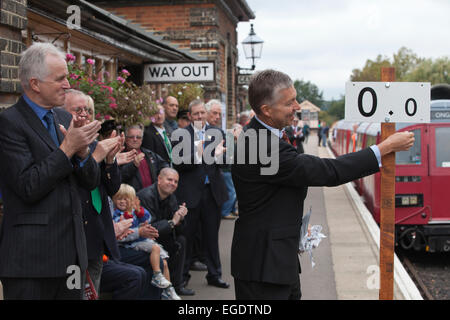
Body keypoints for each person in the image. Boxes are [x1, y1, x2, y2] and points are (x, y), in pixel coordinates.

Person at [230, 69, 415, 300]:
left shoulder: (262, 136)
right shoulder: (264, 148)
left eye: (295, 98)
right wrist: (384, 148)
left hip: (275, 258)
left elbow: (272, 197)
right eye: (289, 103)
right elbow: (328, 171)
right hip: (264, 268)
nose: (297, 106)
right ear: (267, 110)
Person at [0, 42, 101, 299]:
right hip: (31, 262)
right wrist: (67, 149)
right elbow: (27, 186)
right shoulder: (9, 123)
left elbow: (90, 182)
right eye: (60, 79)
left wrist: (82, 152)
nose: (67, 84)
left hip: (72, 256)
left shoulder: (63, 119)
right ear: (35, 84)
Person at [62, 89, 124, 296]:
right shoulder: (62, 147)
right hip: (74, 241)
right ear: (61, 114)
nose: (84, 115)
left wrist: (110, 159)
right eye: (77, 110)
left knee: (92, 293)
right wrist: (95, 157)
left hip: (97, 237)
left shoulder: (97, 144)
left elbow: (113, 188)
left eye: (87, 110)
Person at [173, 99, 230, 289]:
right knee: (187, 238)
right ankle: (181, 278)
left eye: (202, 113)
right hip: (190, 194)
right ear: (189, 116)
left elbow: (223, 164)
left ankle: (215, 275)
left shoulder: (217, 133)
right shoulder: (181, 135)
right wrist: (205, 153)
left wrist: (222, 154)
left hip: (212, 193)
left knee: (211, 237)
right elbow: (179, 163)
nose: (199, 117)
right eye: (195, 114)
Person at [112, 184, 180, 300]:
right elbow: (121, 235)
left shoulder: (134, 211)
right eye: (119, 199)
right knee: (155, 255)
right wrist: (139, 230)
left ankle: (168, 289)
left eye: (126, 199)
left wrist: (139, 211)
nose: (122, 202)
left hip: (140, 241)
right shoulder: (117, 215)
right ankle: (159, 279)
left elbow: (147, 219)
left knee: (163, 262)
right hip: (127, 245)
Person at [137, 167, 193, 296]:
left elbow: (179, 230)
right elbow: (150, 228)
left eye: (175, 182)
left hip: (162, 234)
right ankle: (165, 290)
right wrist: (173, 222)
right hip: (143, 238)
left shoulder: (171, 197)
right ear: (159, 179)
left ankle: (176, 285)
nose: (172, 184)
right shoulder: (145, 196)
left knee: (181, 241)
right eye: (169, 180)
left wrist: (180, 218)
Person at [120, 124, 169, 192]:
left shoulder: (149, 154)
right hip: (131, 198)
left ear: (142, 139)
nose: (135, 139)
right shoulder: (120, 155)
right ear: (126, 139)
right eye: (131, 137)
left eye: (138, 137)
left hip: (152, 196)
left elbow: (164, 164)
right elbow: (118, 177)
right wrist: (133, 165)